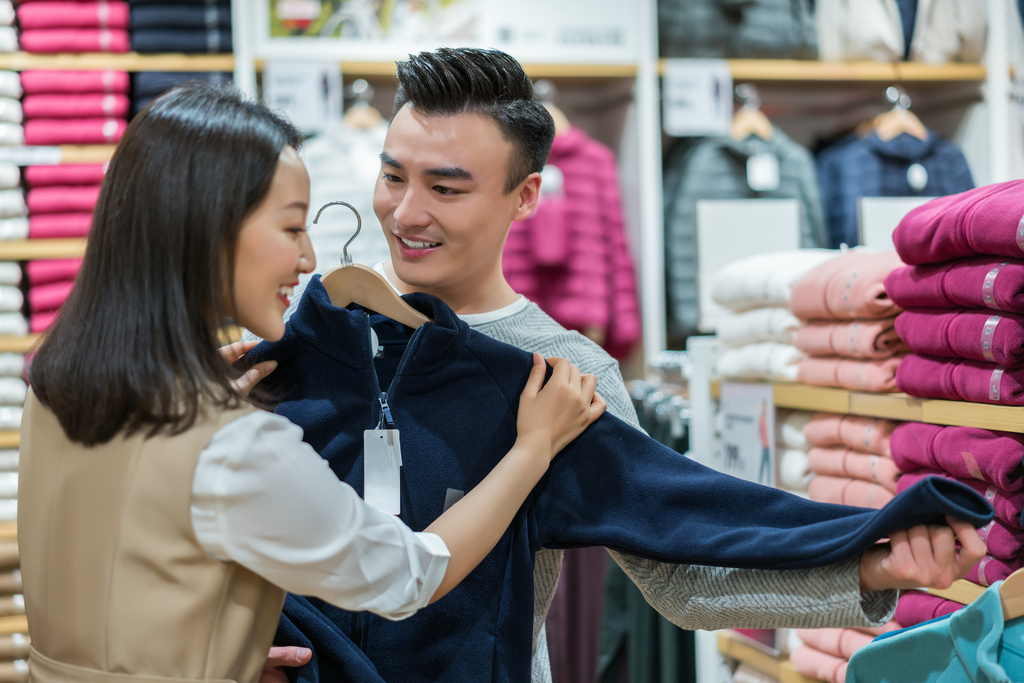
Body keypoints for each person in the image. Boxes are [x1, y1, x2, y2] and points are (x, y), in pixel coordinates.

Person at [262, 47, 987, 683]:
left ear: (527, 196)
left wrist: (866, 565)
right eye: (393, 177)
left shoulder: (565, 376)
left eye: (446, 188)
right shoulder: (314, 334)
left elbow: (683, 573)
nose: (405, 212)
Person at [17, 82, 606, 683]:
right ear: (212, 231)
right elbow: (410, 574)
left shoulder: (57, 385)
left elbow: (125, 565)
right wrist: (531, 449)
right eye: (293, 228)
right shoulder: (234, 446)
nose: (308, 260)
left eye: (446, 187)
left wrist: (214, 648)